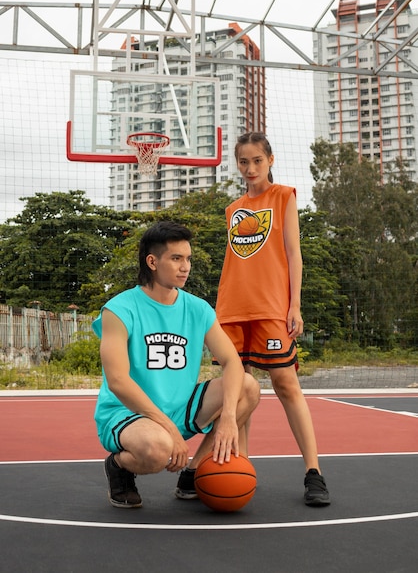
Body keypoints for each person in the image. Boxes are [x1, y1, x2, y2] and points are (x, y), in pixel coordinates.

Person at [93, 220, 260, 508]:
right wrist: (169, 430)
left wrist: (229, 418)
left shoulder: (197, 308)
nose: (186, 267)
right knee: (159, 449)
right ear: (152, 262)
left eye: (188, 259)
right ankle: (119, 467)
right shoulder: (119, 310)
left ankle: (193, 472)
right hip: (127, 414)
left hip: (180, 407)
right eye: (176, 258)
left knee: (248, 386)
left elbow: (232, 362)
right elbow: (118, 381)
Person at [215, 132, 330, 506]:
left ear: (270, 160)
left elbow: (293, 255)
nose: (250, 169)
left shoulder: (283, 197)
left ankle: (313, 472)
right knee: (240, 388)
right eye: (243, 162)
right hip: (232, 308)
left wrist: (293, 304)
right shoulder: (233, 209)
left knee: (286, 385)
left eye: (257, 161)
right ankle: (240, 466)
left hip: (270, 307)